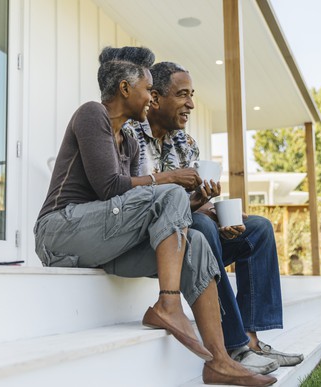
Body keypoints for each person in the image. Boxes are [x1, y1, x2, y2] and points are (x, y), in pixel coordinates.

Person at [34, 46, 275, 387]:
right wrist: (173, 179)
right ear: (124, 89)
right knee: (171, 192)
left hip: (104, 243)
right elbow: (109, 187)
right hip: (59, 232)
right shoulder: (92, 115)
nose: (151, 98)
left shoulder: (130, 146)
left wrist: (193, 201)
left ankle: (220, 361)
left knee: (196, 245)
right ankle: (168, 304)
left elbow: (142, 203)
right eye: (148, 89)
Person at [124, 61, 304, 375]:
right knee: (204, 226)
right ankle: (233, 345)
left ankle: (251, 339)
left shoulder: (186, 143)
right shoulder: (129, 136)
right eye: (182, 95)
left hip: (192, 228)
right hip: (155, 241)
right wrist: (201, 211)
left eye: (192, 95)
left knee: (257, 229)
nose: (191, 104)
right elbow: (133, 201)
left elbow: (194, 204)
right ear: (154, 97)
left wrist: (217, 211)